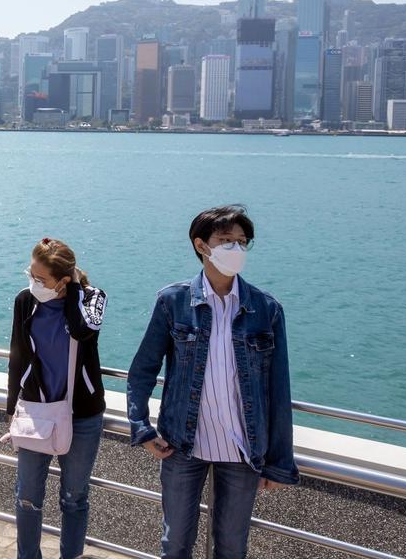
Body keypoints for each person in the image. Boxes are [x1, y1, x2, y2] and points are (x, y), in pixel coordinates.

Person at [126, 205, 299, 559]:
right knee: (175, 544)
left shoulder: (267, 309)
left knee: (232, 548)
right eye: (225, 240)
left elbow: (278, 391)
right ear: (202, 245)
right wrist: (141, 428)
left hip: (243, 452)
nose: (235, 249)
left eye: (241, 242)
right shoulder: (173, 302)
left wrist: (278, 462)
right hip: (181, 446)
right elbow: (143, 369)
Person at [7, 237, 108, 559]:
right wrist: (12, 409)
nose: (34, 283)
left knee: (74, 497)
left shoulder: (93, 298)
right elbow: (17, 355)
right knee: (27, 496)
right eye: (31, 274)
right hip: (36, 410)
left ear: (64, 280)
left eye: (41, 279)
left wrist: (75, 290)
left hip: (83, 416)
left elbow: (82, 330)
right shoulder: (25, 301)